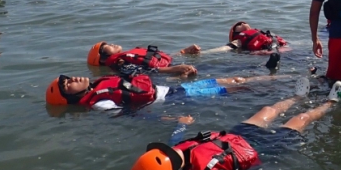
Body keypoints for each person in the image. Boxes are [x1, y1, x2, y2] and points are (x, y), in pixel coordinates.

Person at [125, 80, 341, 170]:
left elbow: (176, 141)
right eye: (175, 159)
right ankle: (331, 102)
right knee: (300, 119)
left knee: (267, 110)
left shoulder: (174, 156)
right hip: (259, 149)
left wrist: (181, 124)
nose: (177, 154)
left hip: (235, 136)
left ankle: (298, 97)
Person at [45, 71, 290, 111]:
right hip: (174, 98)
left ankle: (280, 78)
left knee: (235, 78)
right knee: (234, 89)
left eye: (68, 77)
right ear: (71, 97)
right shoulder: (99, 103)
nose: (72, 79)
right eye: (67, 85)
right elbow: (131, 114)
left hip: (173, 88)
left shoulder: (99, 84)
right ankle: (278, 88)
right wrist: (165, 117)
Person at [87, 42, 198, 76]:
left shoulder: (127, 58)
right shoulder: (121, 66)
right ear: (102, 59)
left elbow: (158, 59)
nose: (112, 44)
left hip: (174, 67)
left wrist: (184, 51)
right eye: (107, 46)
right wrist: (176, 69)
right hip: (168, 74)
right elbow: (147, 70)